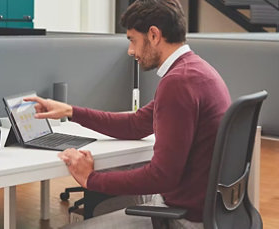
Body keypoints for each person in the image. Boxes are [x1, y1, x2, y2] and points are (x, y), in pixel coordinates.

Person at [25, 0, 231, 228]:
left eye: (132, 40)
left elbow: (162, 176)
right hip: (207, 208)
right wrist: (71, 111)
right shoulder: (196, 70)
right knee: (104, 207)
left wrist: (90, 179)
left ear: (154, 35)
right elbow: (135, 125)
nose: (130, 50)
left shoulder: (178, 83)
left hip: (183, 218)